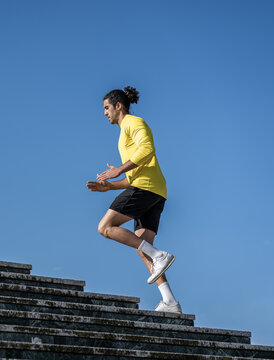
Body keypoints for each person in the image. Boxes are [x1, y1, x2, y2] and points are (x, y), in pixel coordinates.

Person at [86, 87, 182, 313]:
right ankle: (170, 301)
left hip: (146, 189)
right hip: (154, 191)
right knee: (143, 248)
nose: (104, 113)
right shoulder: (124, 134)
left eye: (106, 108)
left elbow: (148, 149)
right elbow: (133, 176)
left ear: (118, 106)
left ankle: (160, 255)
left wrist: (118, 170)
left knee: (105, 227)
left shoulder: (133, 123)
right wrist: (110, 186)